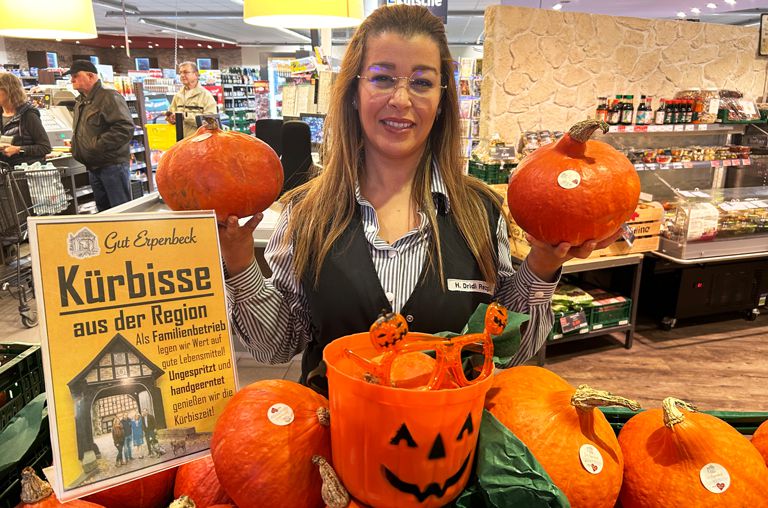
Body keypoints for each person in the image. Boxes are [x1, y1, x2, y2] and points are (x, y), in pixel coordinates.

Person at [218, 4, 617, 394]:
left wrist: (544, 263)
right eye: (382, 78)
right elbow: (276, 346)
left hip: (448, 448)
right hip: (334, 447)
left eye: (422, 82)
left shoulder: (480, 212)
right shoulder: (305, 214)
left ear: (442, 101)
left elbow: (511, 352)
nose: (401, 100)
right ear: (354, 91)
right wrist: (238, 262)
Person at [66, 60, 135, 211]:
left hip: (112, 166)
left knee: (121, 212)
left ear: (90, 76)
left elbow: (125, 128)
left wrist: (95, 146)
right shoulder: (81, 102)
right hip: (94, 166)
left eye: (76, 75)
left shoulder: (108, 96)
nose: (72, 80)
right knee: (104, 213)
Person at [0, 72, 51, 167]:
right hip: (7, 174)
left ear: (9, 91)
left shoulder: (28, 114)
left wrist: (18, 149)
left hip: (27, 174)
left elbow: (45, 147)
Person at [165, 62, 218, 139]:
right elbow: (171, 115)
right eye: (180, 73)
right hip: (181, 142)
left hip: (200, 143)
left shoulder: (206, 96)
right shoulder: (178, 95)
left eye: (186, 72)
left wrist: (185, 117)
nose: (182, 75)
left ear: (196, 74)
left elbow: (211, 123)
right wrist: (171, 118)